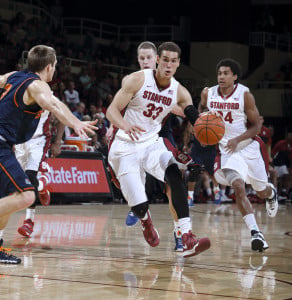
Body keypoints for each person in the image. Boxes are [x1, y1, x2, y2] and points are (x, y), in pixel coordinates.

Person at [106, 41, 211, 258]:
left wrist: (208, 127)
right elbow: (111, 111)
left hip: (151, 144)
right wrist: (125, 125)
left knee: (174, 172)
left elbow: (193, 116)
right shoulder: (137, 80)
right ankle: (145, 221)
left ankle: (186, 235)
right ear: (157, 60)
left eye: (173, 61)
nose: (168, 65)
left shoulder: (180, 92)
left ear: (178, 64)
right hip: (125, 145)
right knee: (139, 206)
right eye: (165, 60)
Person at [0, 45, 97, 264]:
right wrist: (76, 122)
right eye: (55, 66)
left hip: (7, 144)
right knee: (27, 195)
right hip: (1, 143)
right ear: (49, 67)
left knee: (7, 198)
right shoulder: (37, 85)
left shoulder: (14, 76)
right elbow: (53, 103)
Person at [199, 58, 278, 252]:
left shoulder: (244, 95)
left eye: (226, 73)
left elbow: (257, 125)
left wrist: (238, 139)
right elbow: (201, 109)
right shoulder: (208, 93)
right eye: (219, 73)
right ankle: (255, 233)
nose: (221, 77)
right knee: (238, 185)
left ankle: (271, 193)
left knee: (260, 190)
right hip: (227, 150)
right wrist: (201, 125)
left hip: (249, 147)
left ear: (235, 76)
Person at [15, 108, 65, 237]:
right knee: (19, 186)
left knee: (31, 178)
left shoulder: (45, 94)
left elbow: (62, 116)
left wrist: (58, 141)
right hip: (18, 142)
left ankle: (29, 221)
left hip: (38, 140)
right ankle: (42, 186)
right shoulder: (15, 93)